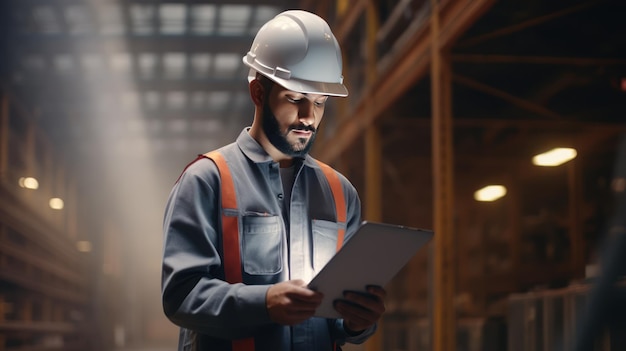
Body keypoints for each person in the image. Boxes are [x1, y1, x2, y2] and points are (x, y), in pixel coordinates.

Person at [161, 9, 386, 351]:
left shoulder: (342, 193)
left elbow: (339, 320)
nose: (308, 117)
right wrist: (264, 302)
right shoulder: (207, 180)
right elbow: (181, 295)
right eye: (295, 99)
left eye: (320, 102)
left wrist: (357, 322)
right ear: (258, 93)